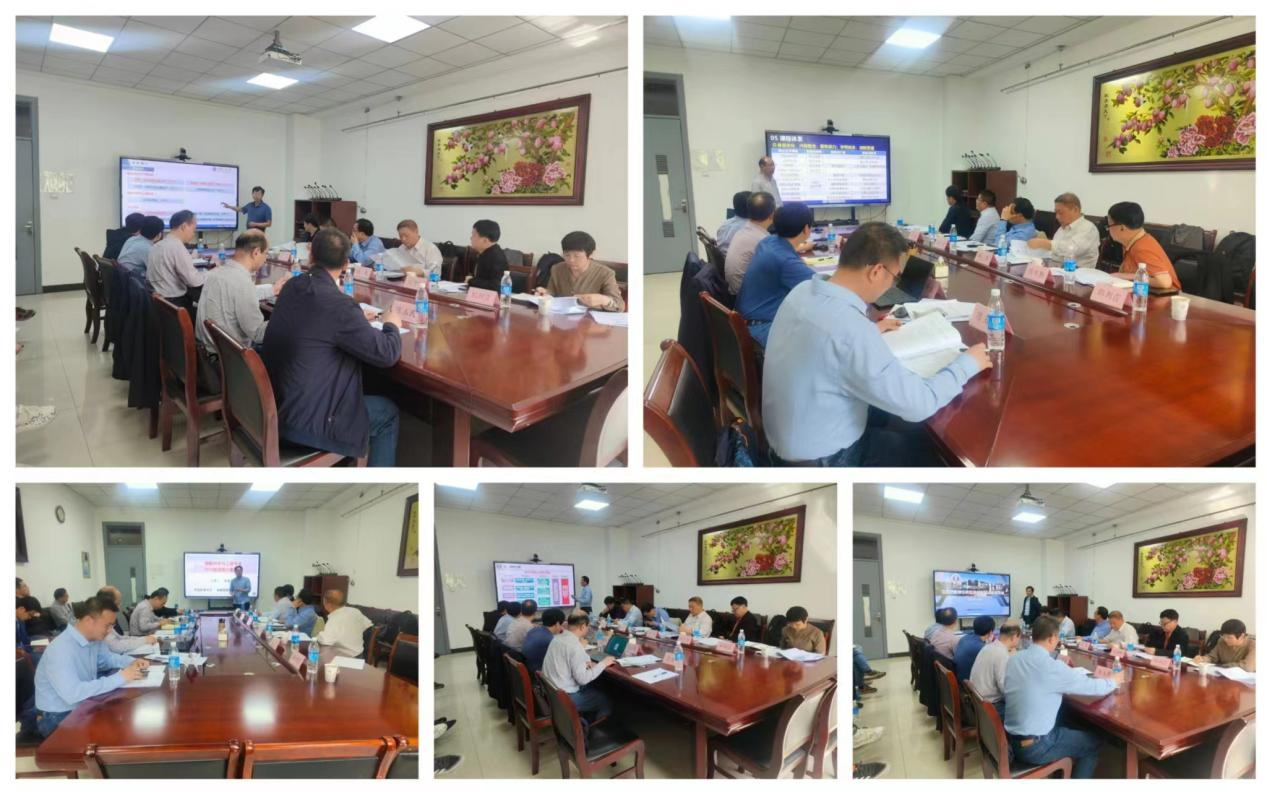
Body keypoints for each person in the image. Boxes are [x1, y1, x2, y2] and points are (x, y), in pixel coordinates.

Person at [762, 222, 991, 466]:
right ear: (877, 271)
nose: (892, 285)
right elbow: (919, 404)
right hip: (825, 459)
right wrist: (967, 364)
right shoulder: (849, 328)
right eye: (894, 277)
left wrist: (870, 330)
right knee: (931, 452)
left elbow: (827, 340)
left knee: (891, 415)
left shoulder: (802, 290)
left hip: (788, 436)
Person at [262, 228, 402, 466]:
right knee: (387, 413)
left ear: (311, 255)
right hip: (307, 424)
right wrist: (391, 325)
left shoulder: (293, 285)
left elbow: (319, 321)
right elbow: (387, 354)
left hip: (276, 406)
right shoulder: (339, 306)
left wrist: (355, 318)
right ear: (346, 264)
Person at [1003, 615, 1116, 778]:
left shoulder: (1015, 659)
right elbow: (1092, 687)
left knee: (1067, 718)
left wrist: (1058, 662)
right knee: (1093, 744)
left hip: (1012, 739)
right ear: (1052, 638)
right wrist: (1113, 681)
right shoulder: (1051, 668)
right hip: (1036, 746)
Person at [34, 595, 150, 736]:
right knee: (115, 732)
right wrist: (121, 677)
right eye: (107, 625)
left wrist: (130, 661)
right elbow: (73, 694)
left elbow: (107, 659)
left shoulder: (94, 639)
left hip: (83, 703)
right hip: (59, 714)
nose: (110, 631)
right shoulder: (60, 649)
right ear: (89, 620)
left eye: (112, 626)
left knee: (128, 718)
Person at [735, 201, 817, 347]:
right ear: (806, 229)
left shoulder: (768, 241)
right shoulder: (786, 262)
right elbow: (826, 289)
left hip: (747, 320)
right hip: (762, 328)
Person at [195, 230, 283, 351]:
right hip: (229, 356)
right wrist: (286, 316)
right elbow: (258, 334)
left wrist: (272, 289)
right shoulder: (242, 282)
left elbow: (237, 294)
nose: (265, 259)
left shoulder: (217, 272)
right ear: (256, 252)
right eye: (266, 253)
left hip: (206, 350)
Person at [541, 612, 614, 723]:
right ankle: (590, 729)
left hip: (551, 692)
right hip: (565, 698)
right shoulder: (575, 646)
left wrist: (586, 662)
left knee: (595, 685)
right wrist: (604, 663)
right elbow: (582, 680)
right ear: (583, 626)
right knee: (605, 700)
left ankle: (585, 719)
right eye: (588, 626)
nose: (588, 629)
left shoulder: (556, 638)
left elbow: (568, 660)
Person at [535, 231, 625, 311]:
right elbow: (552, 293)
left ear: (591, 254)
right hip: (561, 318)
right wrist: (545, 293)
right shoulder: (557, 269)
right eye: (567, 255)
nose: (571, 260)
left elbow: (620, 306)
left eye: (577, 256)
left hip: (590, 321)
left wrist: (603, 300)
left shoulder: (606, 274)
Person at [1106, 201, 1181, 290]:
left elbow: (1164, 282)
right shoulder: (1132, 243)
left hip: (1164, 296)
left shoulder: (1142, 247)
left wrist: (1125, 276)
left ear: (1122, 227)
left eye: (1109, 225)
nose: (1108, 229)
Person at [147, 209, 205, 309]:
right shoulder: (177, 247)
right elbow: (194, 281)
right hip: (175, 303)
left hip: (160, 302)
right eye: (193, 229)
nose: (193, 234)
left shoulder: (158, 245)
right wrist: (212, 273)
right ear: (184, 226)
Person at [1026, 193, 1100, 269]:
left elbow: (1072, 249)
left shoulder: (1088, 228)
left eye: (1061, 213)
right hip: (1057, 269)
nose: (1057, 217)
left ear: (1075, 210)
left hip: (1078, 273)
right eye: (1056, 212)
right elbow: (1054, 253)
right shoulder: (1062, 228)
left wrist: (1045, 243)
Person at [724, 191, 777, 295]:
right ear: (772, 214)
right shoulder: (762, 240)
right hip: (748, 296)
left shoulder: (743, 231)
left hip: (737, 291)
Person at [968, 621, 1021, 723]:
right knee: (1024, 712)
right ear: (1014, 637)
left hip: (977, 701)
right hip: (989, 707)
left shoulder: (989, 646)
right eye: (1019, 638)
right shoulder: (1001, 654)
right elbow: (1005, 689)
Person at [96, 587, 157, 654]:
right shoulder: (100, 620)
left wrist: (144, 639)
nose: (118, 608)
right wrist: (144, 640)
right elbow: (116, 647)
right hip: (137, 635)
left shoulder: (106, 617)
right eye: (117, 604)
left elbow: (119, 638)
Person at [315, 589, 372, 658]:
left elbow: (325, 641)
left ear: (328, 604)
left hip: (345, 657)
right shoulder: (355, 611)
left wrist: (318, 635)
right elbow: (368, 625)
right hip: (360, 655)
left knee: (316, 655)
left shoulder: (334, 620)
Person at [467, 219, 508, 292]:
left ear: (485, 240)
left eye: (474, 235)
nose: (471, 238)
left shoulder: (497, 258)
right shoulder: (484, 253)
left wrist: (471, 281)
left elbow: (496, 286)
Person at [523, 608, 566, 673]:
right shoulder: (550, 640)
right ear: (557, 624)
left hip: (529, 667)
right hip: (540, 673)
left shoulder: (534, 630)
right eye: (562, 624)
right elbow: (562, 660)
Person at [954, 615, 995, 681]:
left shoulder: (964, 638)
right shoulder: (983, 649)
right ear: (990, 632)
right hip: (969, 683)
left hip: (960, 678)